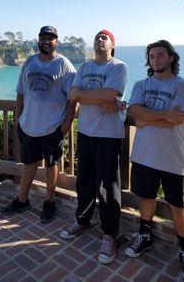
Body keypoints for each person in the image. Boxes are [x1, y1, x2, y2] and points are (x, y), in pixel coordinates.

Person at [124, 40, 184, 282]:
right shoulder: (141, 84)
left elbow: (180, 118)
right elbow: (134, 111)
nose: (156, 60)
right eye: (152, 56)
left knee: (178, 206)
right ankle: (144, 236)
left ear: (171, 58)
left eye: (160, 55)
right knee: (147, 198)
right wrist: (165, 114)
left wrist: (148, 119)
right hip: (145, 155)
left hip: (174, 160)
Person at [60, 30, 128, 265]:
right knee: (85, 180)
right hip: (85, 131)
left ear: (112, 44)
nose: (99, 39)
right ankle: (83, 219)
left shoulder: (118, 67)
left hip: (108, 134)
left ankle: (110, 234)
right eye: (97, 37)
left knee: (108, 185)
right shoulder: (84, 67)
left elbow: (110, 93)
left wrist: (93, 95)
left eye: (104, 37)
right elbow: (72, 94)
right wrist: (100, 98)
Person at [1, 26, 76, 223]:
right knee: (29, 164)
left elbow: (73, 98)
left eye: (50, 38)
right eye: (43, 37)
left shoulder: (65, 66)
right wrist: (19, 118)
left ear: (57, 41)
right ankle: (22, 199)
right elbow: (20, 92)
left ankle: (49, 202)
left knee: (51, 165)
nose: (46, 41)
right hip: (28, 125)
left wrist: (67, 123)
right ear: (38, 40)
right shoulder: (30, 61)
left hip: (52, 128)